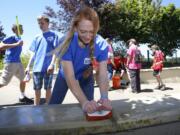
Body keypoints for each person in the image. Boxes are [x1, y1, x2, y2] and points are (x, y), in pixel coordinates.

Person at [49, 6, 112, 114]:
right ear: (75, 28)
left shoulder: (101, 44)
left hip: (86, 76)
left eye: (92, 32)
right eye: (83, 31)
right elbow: (70, 77)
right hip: (65, 77)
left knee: (90, 108)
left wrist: (104, 97)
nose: (88, 36)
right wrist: (83, 102)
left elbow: (102, 74)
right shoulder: (65, 42)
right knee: (53, 106)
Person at [25, 15, 59, 105]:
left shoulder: (54, 35)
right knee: (37, 91)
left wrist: (52, 64)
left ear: (48, 23)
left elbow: (56, 51)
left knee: (48, 90)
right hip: (37, 68)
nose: (40, 25)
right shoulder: (37, 37)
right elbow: (33, 53)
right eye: (39, 23)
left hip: (48, 68)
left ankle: (48, 110)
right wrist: (28, 66)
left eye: (42, 23)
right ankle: (36, 110)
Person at [0, 24, 33, 104]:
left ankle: (22, 97)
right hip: (10, 62)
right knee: (3, 83)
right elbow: (1, 46)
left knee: (23, 79)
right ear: (16, 29)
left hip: (18, 62)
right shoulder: (12, 36)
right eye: (21, 28)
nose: (23, 30)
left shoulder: (19, 38)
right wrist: (17, 44)